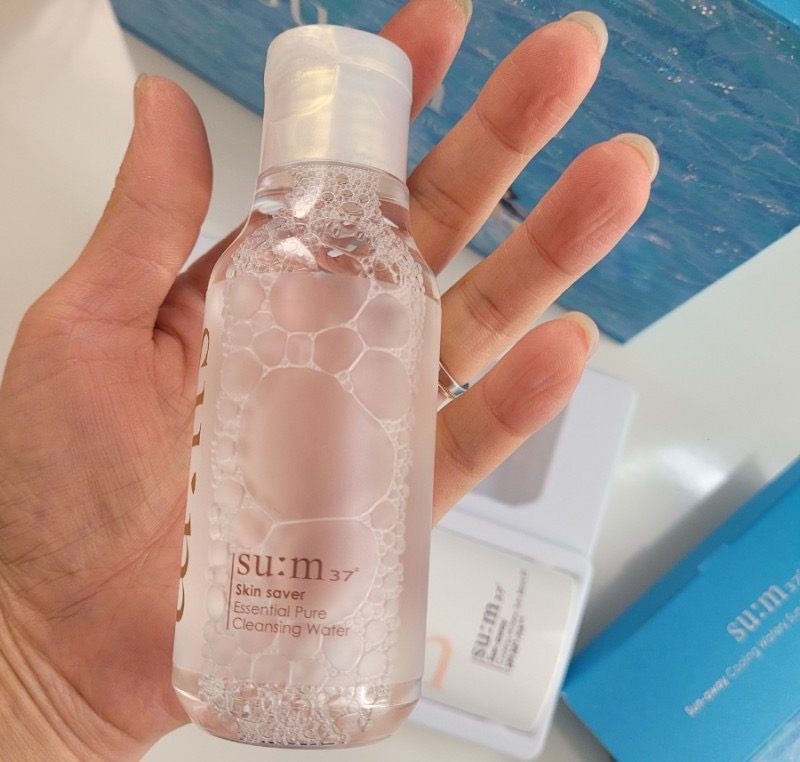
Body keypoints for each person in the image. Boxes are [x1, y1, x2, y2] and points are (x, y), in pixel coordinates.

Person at [0, 1, 657, 759]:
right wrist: (26, 662)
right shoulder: (260, 259)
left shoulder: (387, 269)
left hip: (349, 674)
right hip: (215, 663)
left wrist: (33, 690)